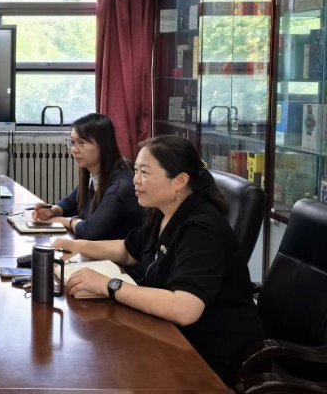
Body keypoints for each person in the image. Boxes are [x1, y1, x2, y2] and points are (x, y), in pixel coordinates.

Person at [57, 135, 264, 383]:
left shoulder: (201, 229)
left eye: (145, 172)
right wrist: (78, 245)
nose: (135, 180)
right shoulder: (164, 212)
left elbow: (184, 308)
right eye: (136, 170)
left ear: (180, 181)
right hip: (170, 333)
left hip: (208, 356)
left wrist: (108, 285)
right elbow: (127, 250)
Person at [32, 113, 143, 239]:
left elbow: (89, 231)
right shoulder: (94, 175)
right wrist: (53, 211)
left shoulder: (121, 185)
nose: (74, 149)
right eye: (72, 142)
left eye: (80, 142)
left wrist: (66, 221)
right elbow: (72, 202)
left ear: (103, 144)